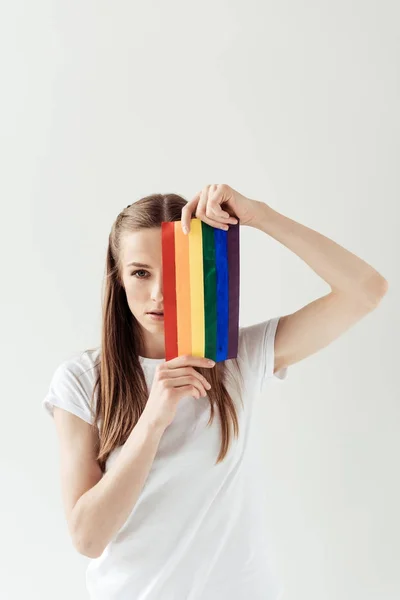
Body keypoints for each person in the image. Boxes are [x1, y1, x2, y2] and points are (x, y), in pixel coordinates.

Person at [42, 184, 388, 600]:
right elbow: (88, 538)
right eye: (140, 272)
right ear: (118, 277)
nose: (157, 294)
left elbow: (366, 291)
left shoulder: (237, 359)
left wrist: (261, 215)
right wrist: (154, 417)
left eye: (173, 273)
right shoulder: (82, 380)